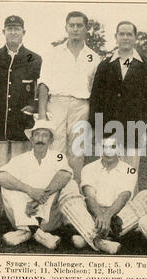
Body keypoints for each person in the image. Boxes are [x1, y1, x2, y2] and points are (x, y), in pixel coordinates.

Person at [89, 21, 147, 189]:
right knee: (106, 172)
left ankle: (126, 212)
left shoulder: (145, 66)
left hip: (134, 129)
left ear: (135, 38)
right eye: (122, 34)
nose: (125, 37)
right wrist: (94, 128)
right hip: (107, 129)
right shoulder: (105, 65)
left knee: (129, 172)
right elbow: (96, 99)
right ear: (116, 37)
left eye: (129, 34)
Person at [38, 11, 101, 183]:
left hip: (81, 106)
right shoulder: (53, 53)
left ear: (86, 29)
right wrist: (42, 115)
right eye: (71, 25)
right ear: (66, 27)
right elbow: (43, 85)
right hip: (56, 103)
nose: (75, 29)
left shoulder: (94, 57)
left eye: (79, 25)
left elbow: (96, 91)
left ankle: (73, 193)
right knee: (55, 150)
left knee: (77, 151)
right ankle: (50, 193)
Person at [0, 120, 79, 249]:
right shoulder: (20, 159)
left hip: (48, 216)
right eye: (37, 135)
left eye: (45, 135)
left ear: (50, 140)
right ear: (31, 139)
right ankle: (39, 234)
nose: (40, 139)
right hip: (24, 211)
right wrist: (30, 190)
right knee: (8, 187)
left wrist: (39, 199)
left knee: (68, 184)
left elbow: (65, 174)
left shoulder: (58, 156)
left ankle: (26, 232)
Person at [0, 15, 42, 171]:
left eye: (17, 29)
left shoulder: (34, 58)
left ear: (24, 32)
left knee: (20, 170)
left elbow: (40, 87)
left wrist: (33, 106)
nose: (13, 32)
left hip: (22, 124)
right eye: (10, 29)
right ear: (3, 31)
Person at [73, 135, 139, 254]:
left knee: (141, 201)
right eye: (104, 146)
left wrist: (107, 216)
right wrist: (100, 215)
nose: (108, 151)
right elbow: (89, 196)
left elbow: (123, 197)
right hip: (93, 214)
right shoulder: (88, 168)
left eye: (113, 146)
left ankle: (88, 236)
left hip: (117, 216)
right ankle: (101, 241)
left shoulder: (130, 170)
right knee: (71, 196)